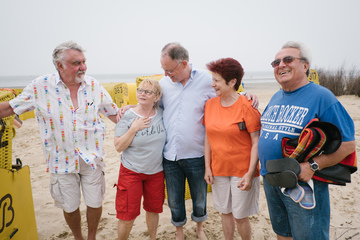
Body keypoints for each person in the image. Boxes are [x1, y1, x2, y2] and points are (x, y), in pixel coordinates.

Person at [0, 41, 120, 240]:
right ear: (60, 66)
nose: (83, 67)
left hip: (92, 158)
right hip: (60, 160)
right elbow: (11, 108)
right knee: (70, 205)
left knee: (95, 202)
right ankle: (78, 237)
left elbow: (115, 114)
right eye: (76, 63)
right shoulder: (40, 86)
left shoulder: (94, 86)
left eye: (83, 62)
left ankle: (91, 237)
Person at [159, 43, 259, 240]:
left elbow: (231, 95)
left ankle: (203, 230)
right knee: (216, 210)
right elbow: (154, 105)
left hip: (218, 161)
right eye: (164, 69)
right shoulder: (166, 84)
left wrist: (248, 95)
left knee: (223, 209)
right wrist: (129, 107)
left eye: (169, 70)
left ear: (183, 63)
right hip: (187, 158)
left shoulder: (207, 81)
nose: (166, 74)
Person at [258, 41, 356, 240]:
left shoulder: (322, 97)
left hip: (303, 183)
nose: (280, 65)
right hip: (272, 180)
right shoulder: (276, 97)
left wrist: (312, 165)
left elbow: (348, 144)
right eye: (276, 62)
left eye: (288, 59)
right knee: (283, 233)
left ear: (305, 65)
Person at [203, 58, 261, 240]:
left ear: (232, 82)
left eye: (217, 81)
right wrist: (207, 167)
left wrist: (250, 173)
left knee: (240, 216)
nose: (213, 85)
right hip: (219, 169)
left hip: (242, 170)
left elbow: (256, 142)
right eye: (213, 80)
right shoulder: (210, 105)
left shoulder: (247, 106)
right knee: (224, 212)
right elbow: (207, 138)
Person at [114, 79, 166, 240]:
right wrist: (133, 129)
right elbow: (118, 146)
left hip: (156, 172)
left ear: (156, 97)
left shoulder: (162, 113)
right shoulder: (127, 116)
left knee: (154, 209)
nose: (142, 94)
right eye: (140, 90)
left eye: (148, 92)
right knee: (127, 215)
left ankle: (152, 237)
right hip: (131, 172)